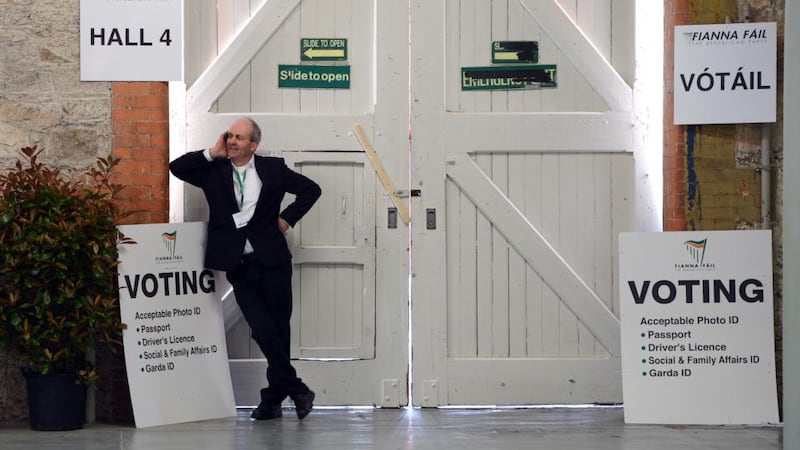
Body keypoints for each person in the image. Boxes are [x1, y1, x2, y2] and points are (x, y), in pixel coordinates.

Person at [169, 117, 321, 420]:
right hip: (240, 266)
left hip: (274, 262)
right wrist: (211, 152)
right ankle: (297, 389)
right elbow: (177, 168)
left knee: (279, 330)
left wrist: (287, 218)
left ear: (254, 144)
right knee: (262, 329)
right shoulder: (213, 171)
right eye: (229, 136)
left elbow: (311, 190)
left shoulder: (273, 169)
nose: (233, 141)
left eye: (239, 137)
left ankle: (272, 400)